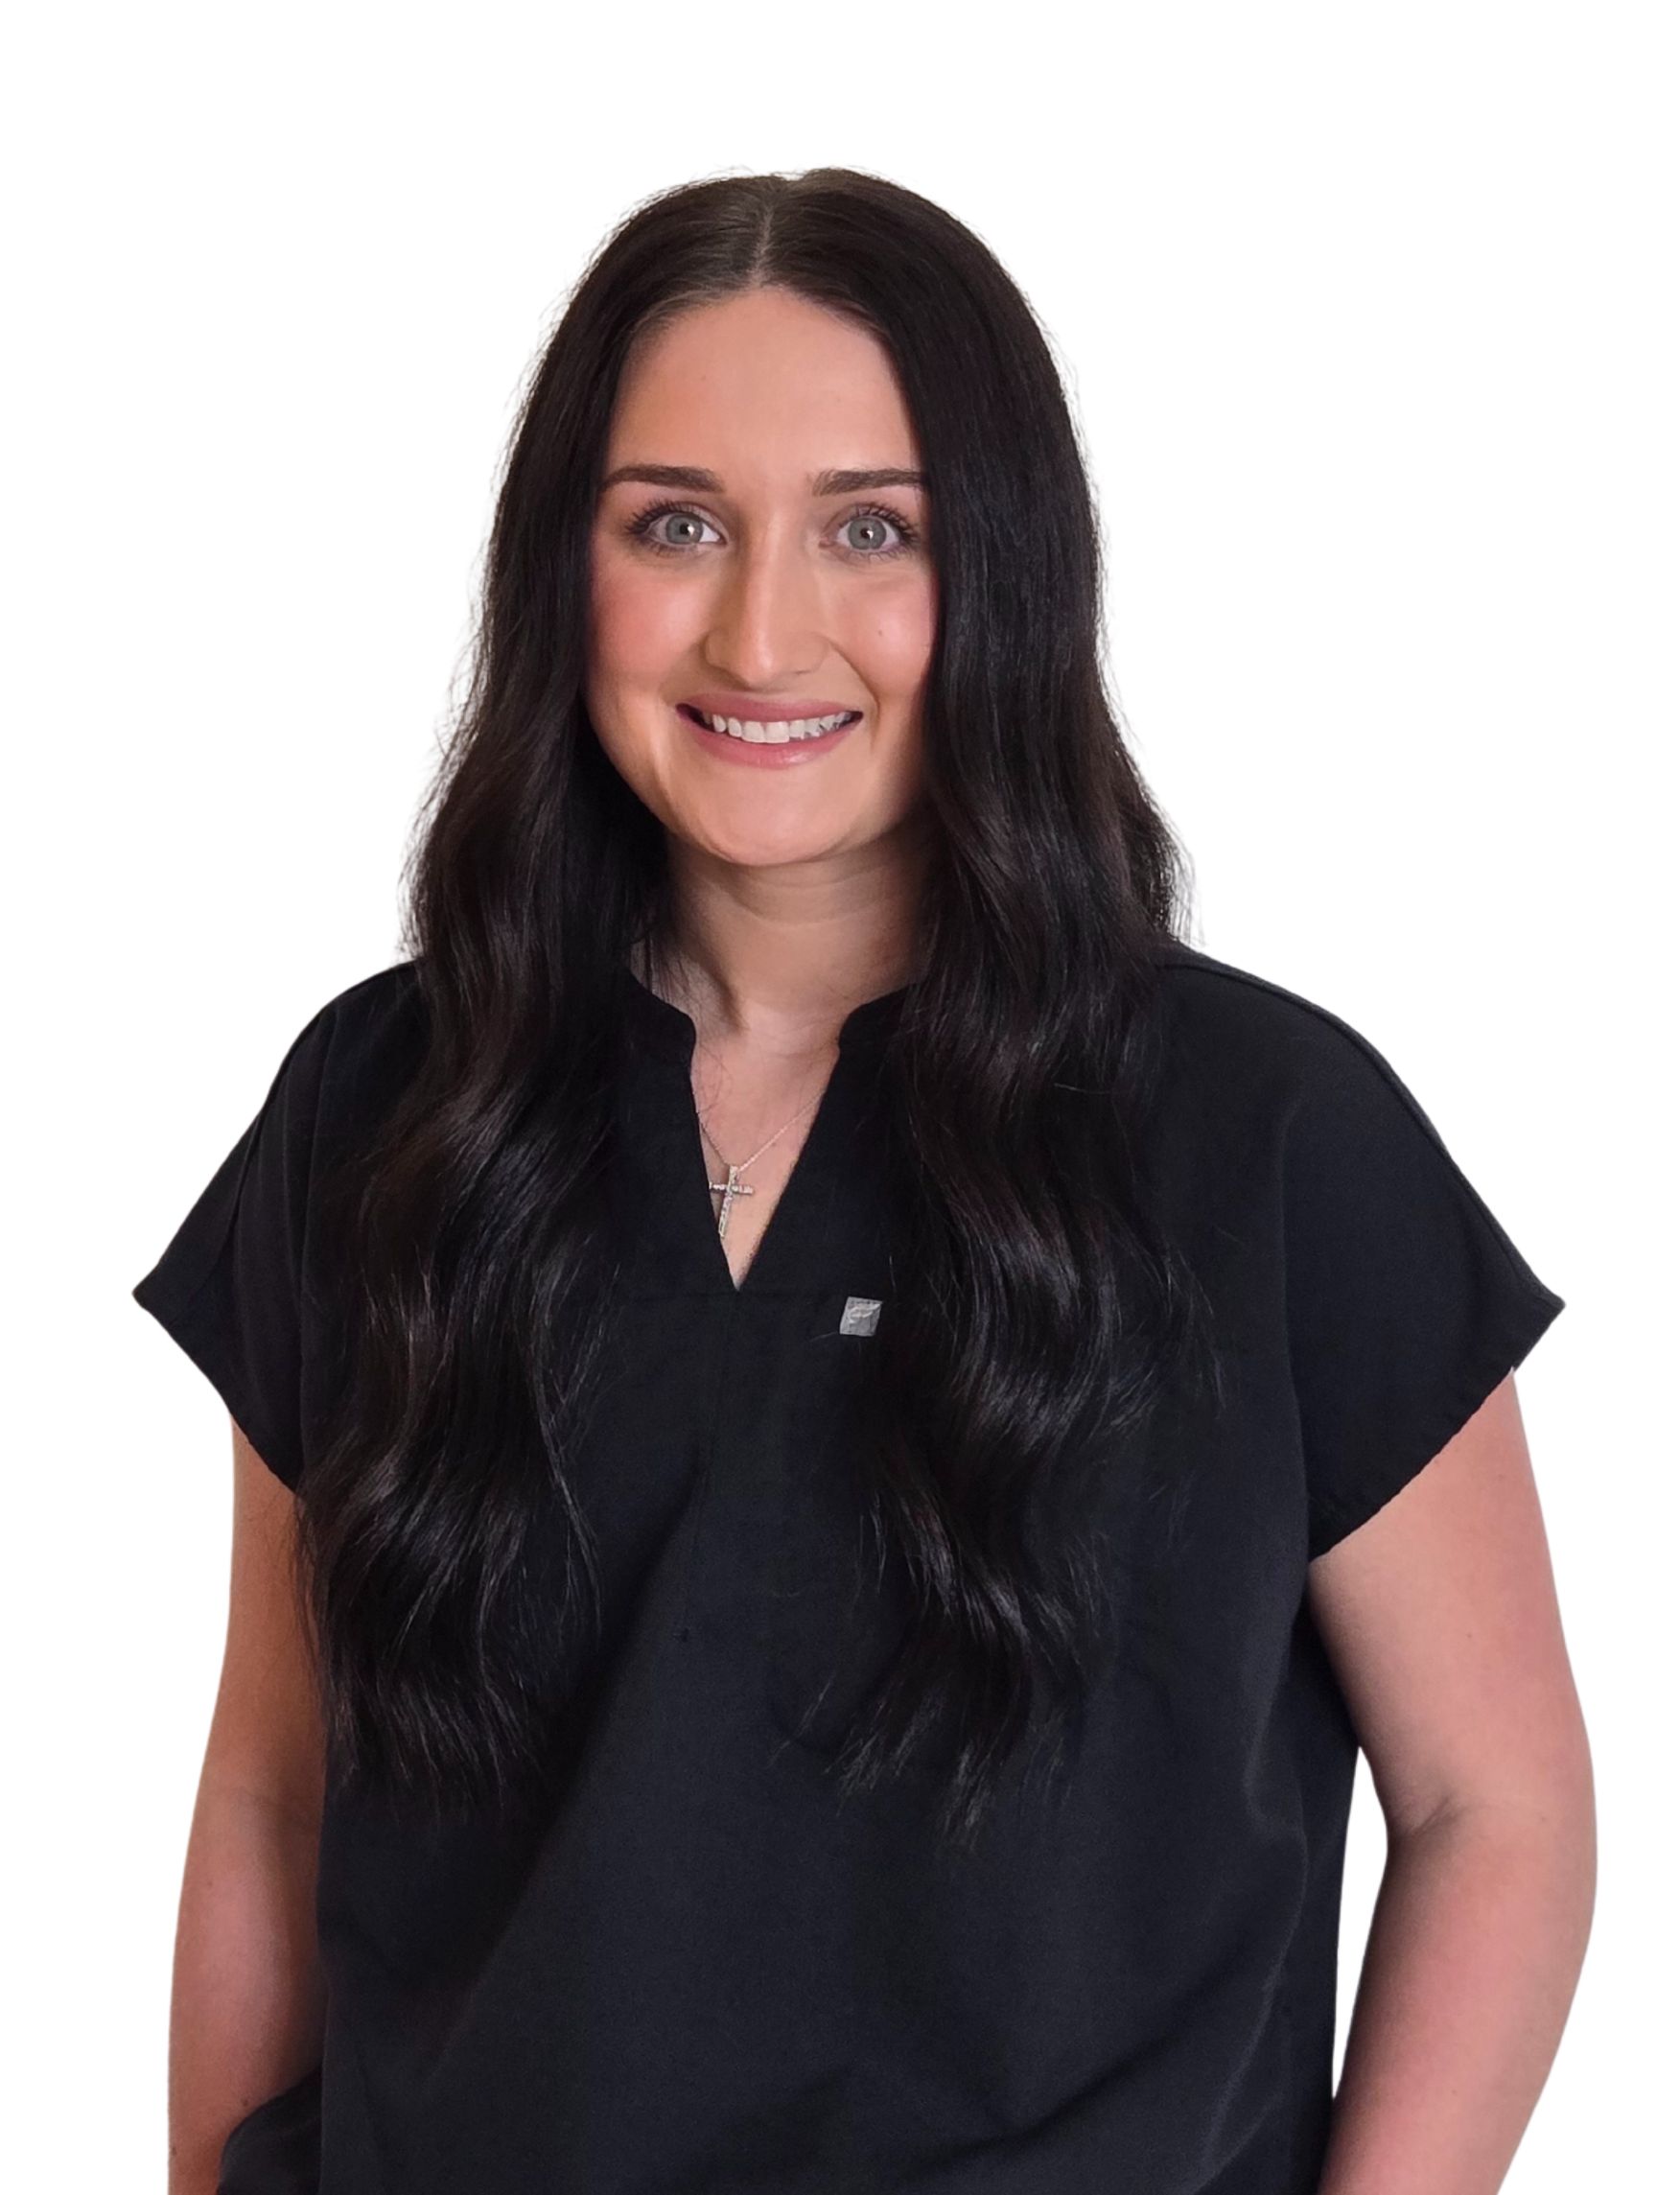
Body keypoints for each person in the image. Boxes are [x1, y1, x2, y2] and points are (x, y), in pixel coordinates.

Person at [133, 170, 1590, 2195]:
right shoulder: (385, 1104)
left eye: (869, 528)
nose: (760, 628)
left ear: (1002, 572)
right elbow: (278, 1792)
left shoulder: (1268, 1135)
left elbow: (1493, 1801)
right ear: (566, 570)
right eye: (674, 524)